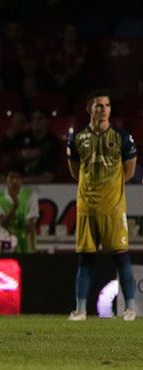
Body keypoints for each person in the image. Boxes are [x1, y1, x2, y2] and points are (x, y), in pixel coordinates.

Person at [66, 90, 137, 321]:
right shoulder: (76, 138)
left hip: (114, 207)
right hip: (87, 206)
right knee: (86, 258)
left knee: (121, 256)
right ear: (89, 109)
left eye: (106, 105)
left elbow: (130, 170)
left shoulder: (121, 137)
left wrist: (110, 188)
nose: (103, 109)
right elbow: (75, 171)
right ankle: (80, 310)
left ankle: (130, 308)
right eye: (98, 106)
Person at [0, 167, 39, 253]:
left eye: (18, 178)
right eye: (11, 177)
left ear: (22, 181)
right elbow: (3, 223)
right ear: (6, 180)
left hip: (26, 242)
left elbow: (30, 223)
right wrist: (15, 207)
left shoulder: (31, 196)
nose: (14, 181)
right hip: (6, 241)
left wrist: (18, 235)